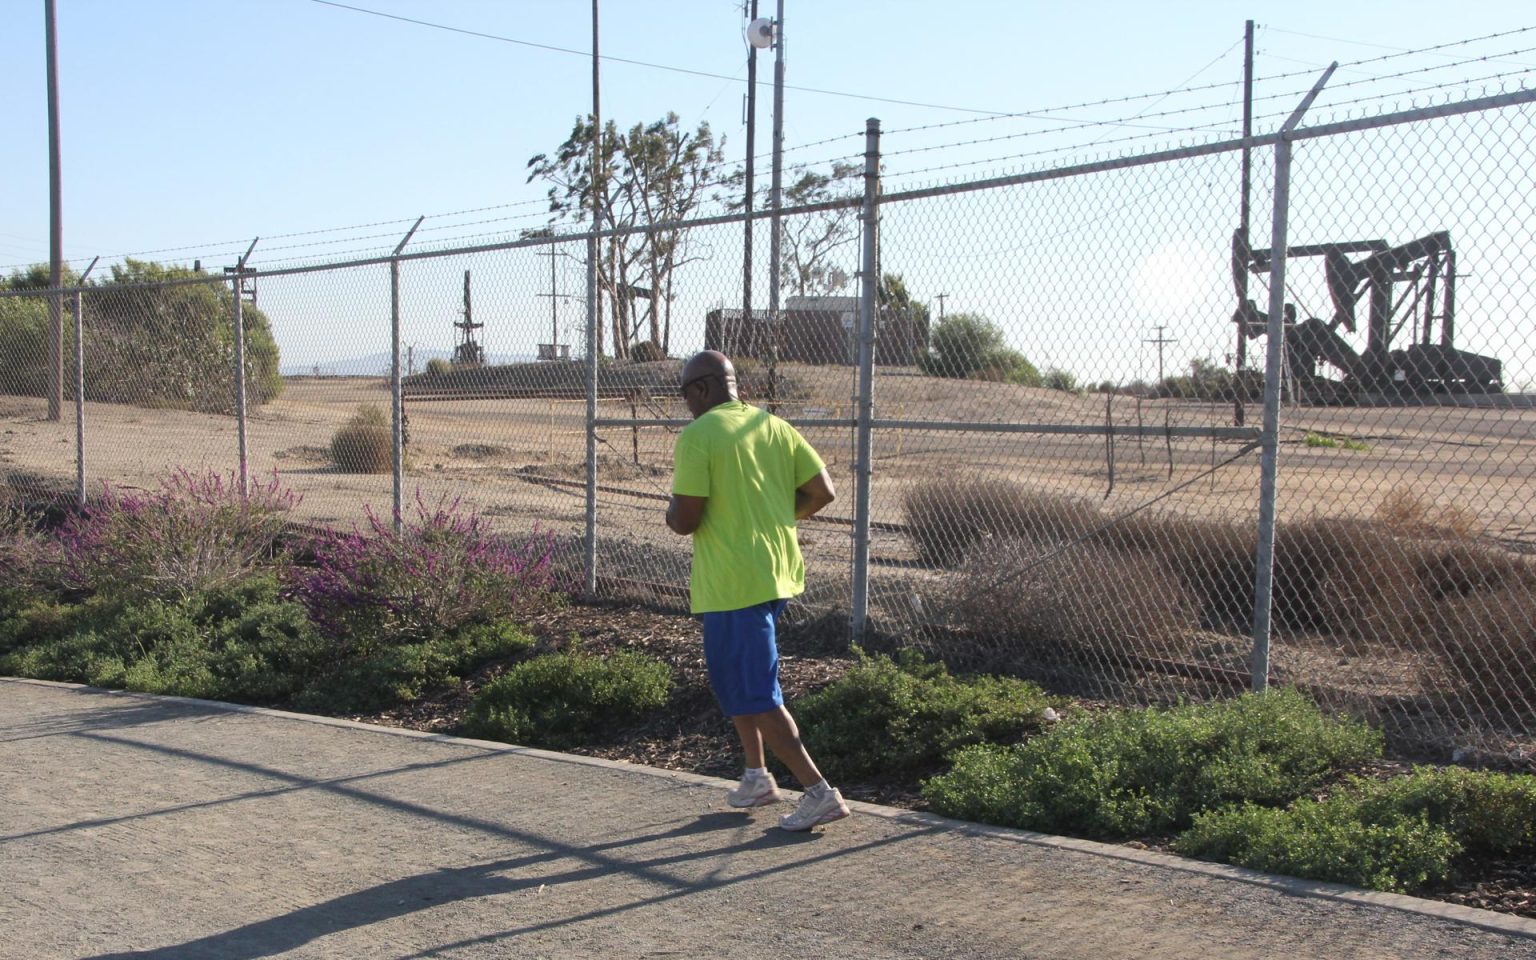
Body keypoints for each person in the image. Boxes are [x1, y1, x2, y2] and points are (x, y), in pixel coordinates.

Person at [665, 350, 849, 831]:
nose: (684, 403)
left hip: (734, 582)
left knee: (757, 691)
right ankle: (756, 775)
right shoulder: (773, 426)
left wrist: (671, 514)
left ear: (701, 390)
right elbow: (822, 491)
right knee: (737, 681)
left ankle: (818, 791)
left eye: (685, 393)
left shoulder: (699, 435)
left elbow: (685, 521)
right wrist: (775, 517)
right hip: (773, 574)